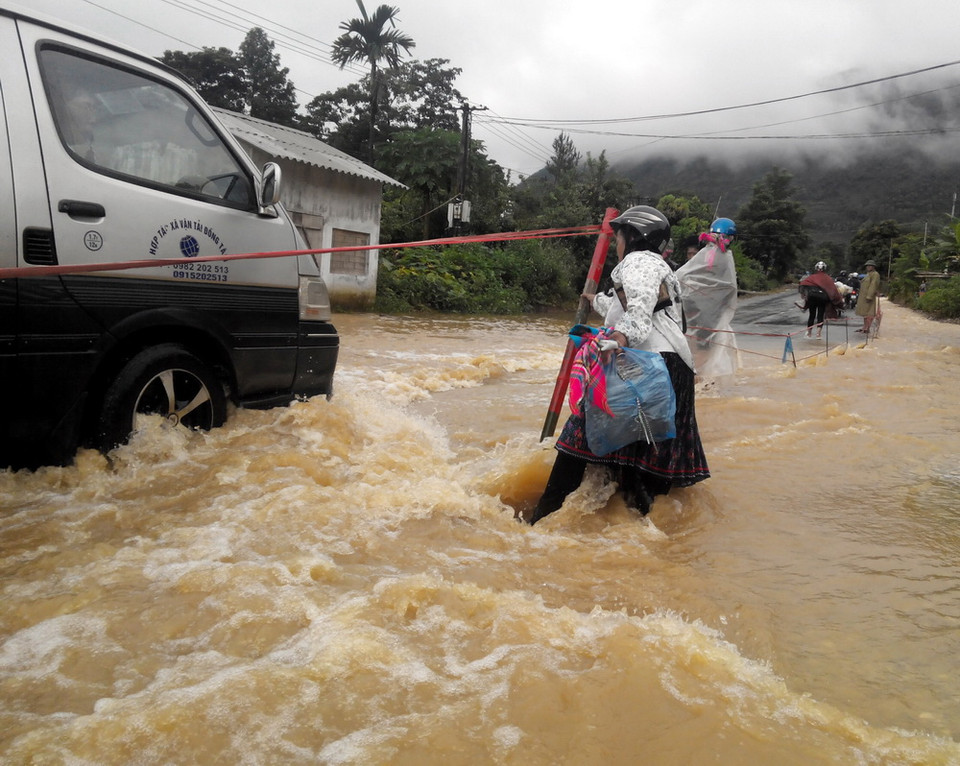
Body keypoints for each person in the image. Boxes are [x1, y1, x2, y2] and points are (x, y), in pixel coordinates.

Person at [529, 205, 710, 524]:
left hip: (646, 363)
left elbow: (638, 311)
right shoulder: (658, 266)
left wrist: (621, 338)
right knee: (640, 459)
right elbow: (626, 307)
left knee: (579, 441)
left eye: (619, 237)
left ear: (634, 236)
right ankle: (639, 536)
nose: (616, 244)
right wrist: (594, 300)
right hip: (672, 366)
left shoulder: (638, 262)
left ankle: (541, 519)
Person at [675, 217, 740, 377]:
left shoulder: (707, 254)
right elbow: (729, 286)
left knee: (699, 344)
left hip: (696, 310)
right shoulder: (723, 256)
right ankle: (703, 377)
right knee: (709, 346)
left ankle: (697, 376)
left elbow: (682, 275)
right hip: (709, 313)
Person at [798, 261, 843, 338]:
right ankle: (818, 334)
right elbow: (833, 289)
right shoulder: (828, 278)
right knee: (820, 315)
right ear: (825, 269)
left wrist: (803, 295)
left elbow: (802, 283)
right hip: (822, 299)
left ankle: (809, 333)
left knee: (812, 315)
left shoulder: (812, 277)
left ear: (816, 268)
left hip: (812, 298)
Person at [856, 260, 881, 333]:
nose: (868, 267)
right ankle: (864, 327)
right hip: (863, 296)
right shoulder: (868, 274)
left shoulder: (875, 274)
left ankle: (867, 328)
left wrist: (869, 296)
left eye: (870, 266)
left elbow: (873, 286)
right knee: (864, 313)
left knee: (869, 313)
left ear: (873, 267)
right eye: (867, 266)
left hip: (868, 297)